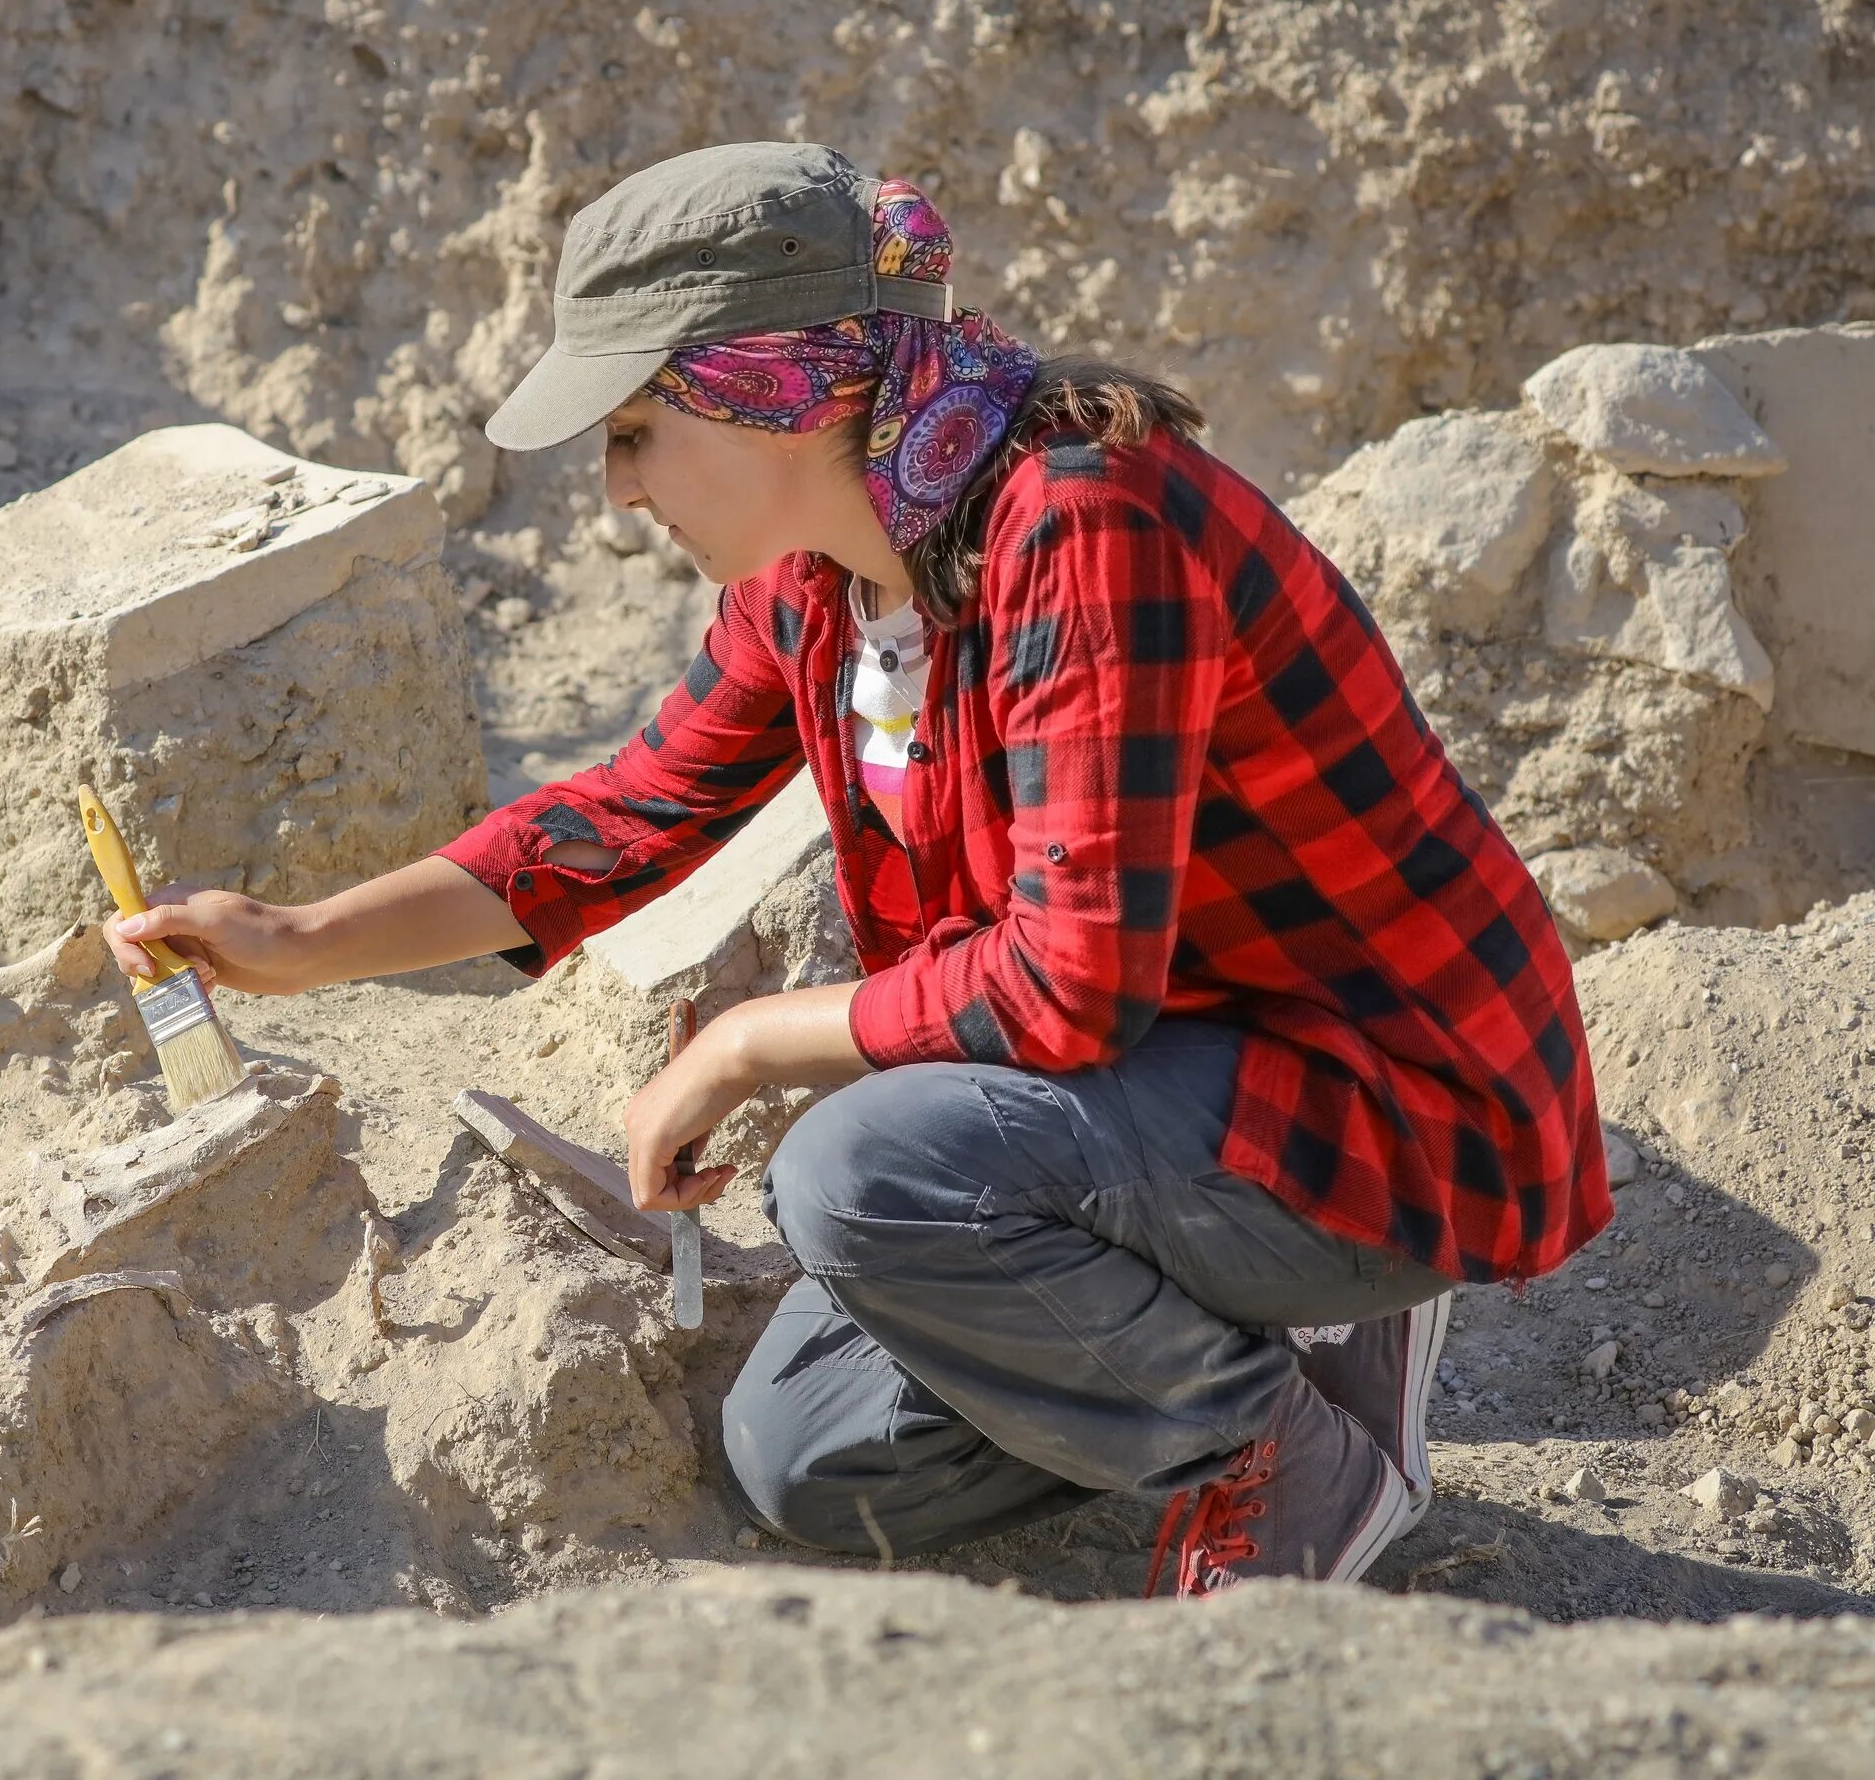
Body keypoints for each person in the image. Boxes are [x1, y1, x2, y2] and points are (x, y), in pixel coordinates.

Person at [102, 142, 1606, 1595]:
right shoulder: (822, 579)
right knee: (809, 1462)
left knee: (860, 1166)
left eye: (633, 434)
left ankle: (1275, 1449)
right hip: (1166, 1079)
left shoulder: (1083, 525)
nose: (619, 490)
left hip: (1387, 1107)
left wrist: (753, 1044)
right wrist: (296, 939)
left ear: (765, 391)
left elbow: (1069, 983)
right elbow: (626, 818)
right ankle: (1250, 1338)